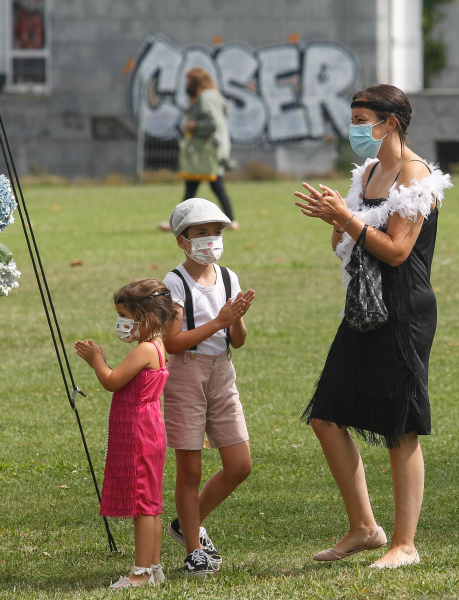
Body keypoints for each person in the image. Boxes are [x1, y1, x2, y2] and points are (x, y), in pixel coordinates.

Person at [293, 84, 452, 569]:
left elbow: (398, 250)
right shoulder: (366, 173)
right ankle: (364, 528)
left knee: (399, 427)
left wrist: (348, 219)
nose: (355, 127)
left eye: (362, 118)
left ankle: (405, 544)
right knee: (325, 413)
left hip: (404, 309)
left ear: (391, 122)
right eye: (354, 118)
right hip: (364, 306)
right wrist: (336, 221)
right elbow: (353, 245)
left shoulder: (416, 175)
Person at [161, 197, 255, 575]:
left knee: (240, 465)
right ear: (182, 240)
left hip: (222, 373)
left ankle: (187, 523)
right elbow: (172, 342)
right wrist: (220, 321)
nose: (211, 240)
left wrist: (236, 320)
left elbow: (239, 339)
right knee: (191, 469)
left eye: (216, 232)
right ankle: (193, 549)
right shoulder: (174, 282)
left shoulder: (229, 277)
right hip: (186, 374)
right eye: (201, 233)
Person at [74, 279, 174, 589]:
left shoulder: (144, 349)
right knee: (150, 503)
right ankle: (154, 567)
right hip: (149, 427)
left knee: (144, 506)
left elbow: (112, 381)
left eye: (125, 317)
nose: (121, 324)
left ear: (147, 317)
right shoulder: (157, 345)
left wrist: (96, 360)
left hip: (138, 432)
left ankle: (140, 573)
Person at [174, 68, 238, 230]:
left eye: (188, 82)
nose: (186, 86)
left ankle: (180, 222)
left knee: (196, 183)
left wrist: (194, 125)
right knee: (209, 184)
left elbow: (212, 124)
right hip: (215, 149)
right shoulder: (214, 95)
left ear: (195, 83)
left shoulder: (205, 98)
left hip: (206, 150)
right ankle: (231, 219)